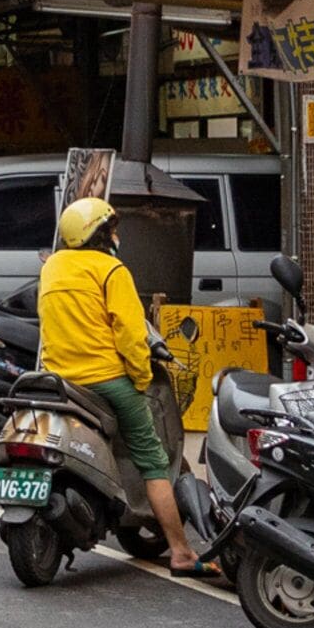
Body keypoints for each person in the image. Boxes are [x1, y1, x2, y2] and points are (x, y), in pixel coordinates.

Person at [36, 198, 201, 576]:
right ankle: (181, 552)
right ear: (101, 235)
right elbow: (130, 333)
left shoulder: (53, 267)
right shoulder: (112, 271)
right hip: (107, 381)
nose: (117, 235)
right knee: (152, 459)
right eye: (112, 228)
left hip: (58, 381)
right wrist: (140, 379)